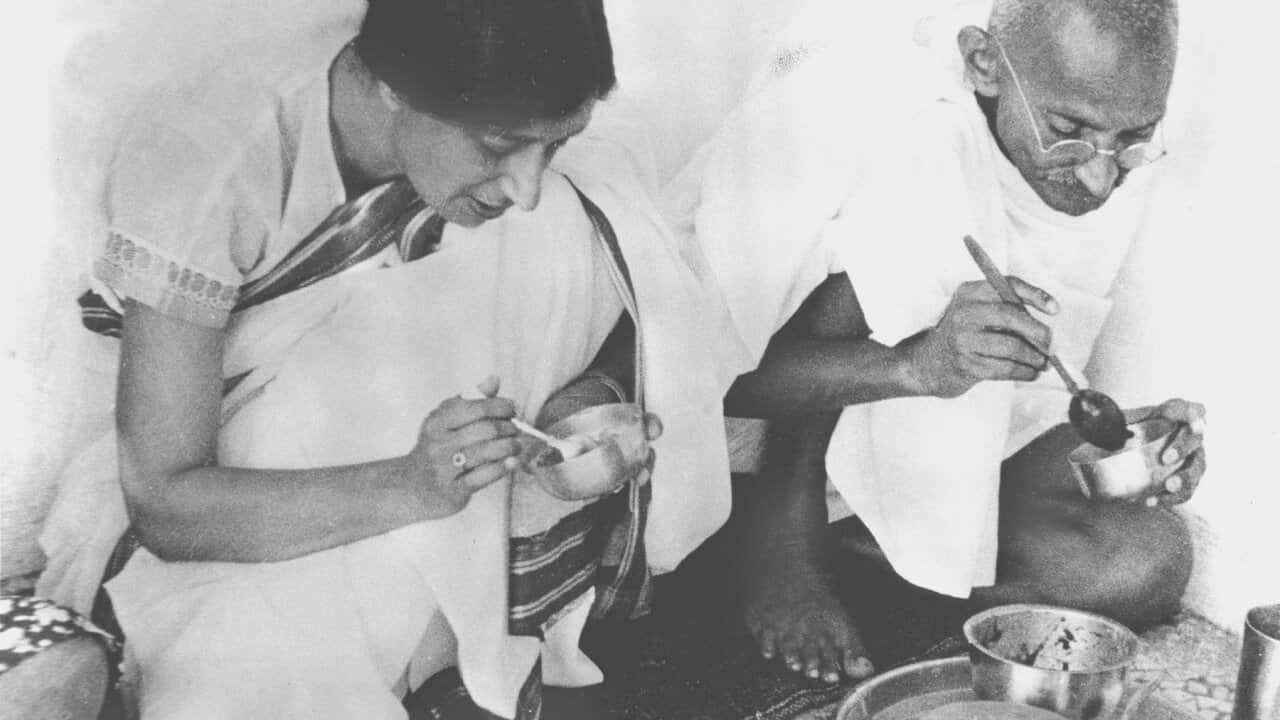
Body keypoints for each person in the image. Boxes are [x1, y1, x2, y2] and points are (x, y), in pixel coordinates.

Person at [34, 0, 735, 717]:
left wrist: (582, 396)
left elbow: (616, 288)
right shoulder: (213, 154)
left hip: (405, 468)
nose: (522, 187)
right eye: (499, 147)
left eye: (551, 145)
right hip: (241, 464)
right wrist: (413, 484)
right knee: (250, 650)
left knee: (561, 212)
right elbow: (166, 505)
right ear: (390, 89)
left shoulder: (480, 116)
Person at [663, 0, 1206, 685]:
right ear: (984, 62)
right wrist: (917, 365)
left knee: (1149, 561)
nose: (1100, 176)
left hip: (895, 441)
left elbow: (999, 412)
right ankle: (783, 527)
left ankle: (861, 548)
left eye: (1134, 137)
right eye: (1069, 131)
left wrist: (1112, 451)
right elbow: (692, 377)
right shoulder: (890, 117)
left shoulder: (1094, 137)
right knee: (864, 275)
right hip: (755, 435)